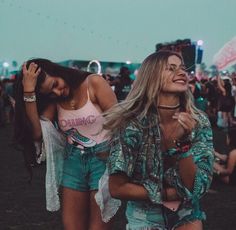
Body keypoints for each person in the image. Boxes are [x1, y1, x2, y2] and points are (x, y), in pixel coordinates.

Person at [101, 51, 214, 229]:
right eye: (171, 68)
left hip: (186, 212)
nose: (182, 73)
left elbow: (195, 187)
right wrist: (164, 194)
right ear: (151, 76)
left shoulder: (198, 121)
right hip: (144, 216)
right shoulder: (132, 124)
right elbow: (117, 188)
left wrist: (184, 145)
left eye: (183, 69)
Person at [14, 59, 117, 230]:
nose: (58, 91)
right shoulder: (56, 101)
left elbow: (119, 121)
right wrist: (29, 92)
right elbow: (38, 132)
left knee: (99, 227)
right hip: (73, 161)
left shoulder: (93, 83)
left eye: (55, 84)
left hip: (103, 159)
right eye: (51, 93)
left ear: (57, 71)